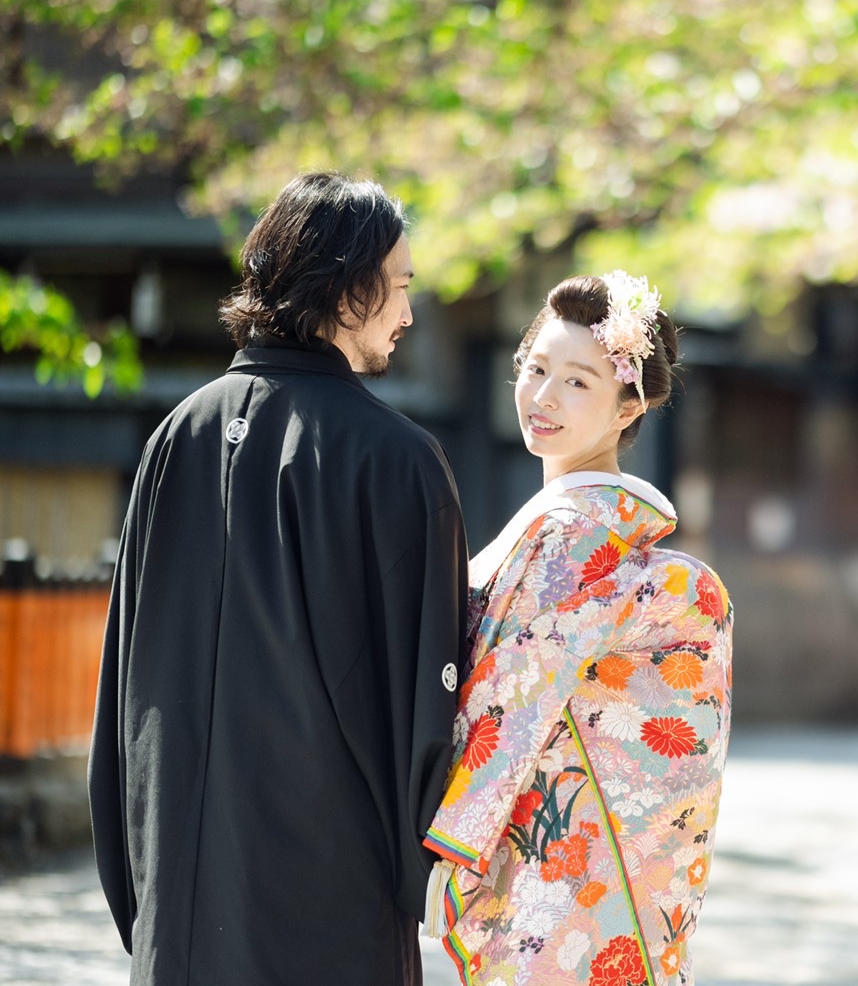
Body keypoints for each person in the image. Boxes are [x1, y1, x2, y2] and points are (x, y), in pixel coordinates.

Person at [88, 171, 468, 985]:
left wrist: (142, 872)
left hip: (181, 887)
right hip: (330, 896)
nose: (406, 314)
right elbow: (430, 701)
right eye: (398, 288)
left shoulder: (174, 436)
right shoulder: (396, 461)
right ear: (343, 287)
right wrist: (418, 870)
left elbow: (124, 679)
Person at [421, 273, 733, 986]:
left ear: (631, 406)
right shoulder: (570, 525)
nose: (544, 397)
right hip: (585, 856)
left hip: (557, 863)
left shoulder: (572, 532)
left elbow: (513, 696)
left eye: (578, 383)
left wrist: (445, 844)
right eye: (536, 369)